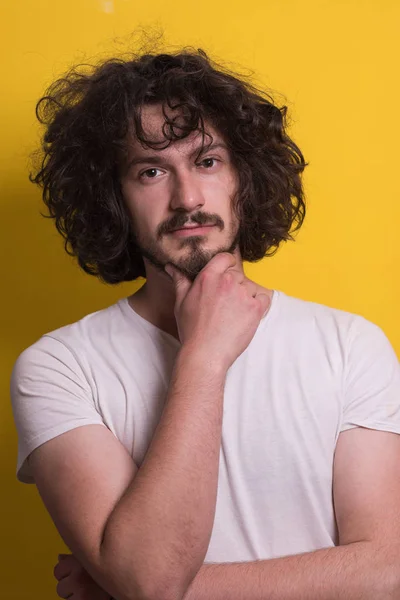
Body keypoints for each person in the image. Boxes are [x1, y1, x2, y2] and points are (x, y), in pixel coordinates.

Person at [10, 47, 400, 600]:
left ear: (245, 176)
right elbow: (148, 578)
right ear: (113, 197)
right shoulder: (57, 367)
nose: (187, 198)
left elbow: (386, 573)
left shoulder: (350, 345)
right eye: (151, 171)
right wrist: (205, 355)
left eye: (208, 162)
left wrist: (134, 586)